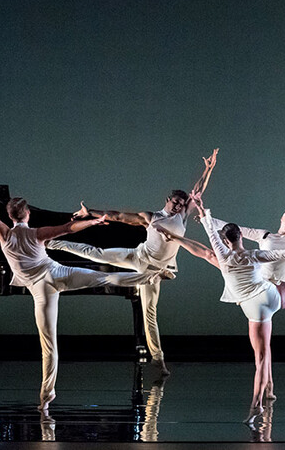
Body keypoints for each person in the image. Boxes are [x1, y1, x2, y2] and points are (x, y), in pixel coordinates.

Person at [0, 161, 162, 412]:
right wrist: (92, 222)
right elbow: (69, 228)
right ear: (28, 214)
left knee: (49, 345)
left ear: (11, 216)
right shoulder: (37, 233)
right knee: (102, 277)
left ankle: (46, 396)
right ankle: (149, 276)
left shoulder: (2, 233)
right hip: (58, 274)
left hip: (40, 289)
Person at [165, 192, 285, 422]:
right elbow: (271, 248)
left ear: (226, 241)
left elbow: (209, 244)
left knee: (261, 358)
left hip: (259, 300)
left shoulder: (225, 255)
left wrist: (201, 218)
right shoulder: (257, 249)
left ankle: (257, 406)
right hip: (270, 294)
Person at [48, 149, 217, 376]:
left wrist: (208, 169)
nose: (178, 206)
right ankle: (52, 244)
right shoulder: (150, 216)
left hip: (154, 270)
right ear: (167, 200)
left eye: (181, 204)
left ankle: (158, 359)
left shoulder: (182, 216)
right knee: (96, 252)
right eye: (175, 202)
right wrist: (90, 213)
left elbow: (197, 192)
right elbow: (118, 216)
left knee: (150, 312)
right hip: (138, 257)